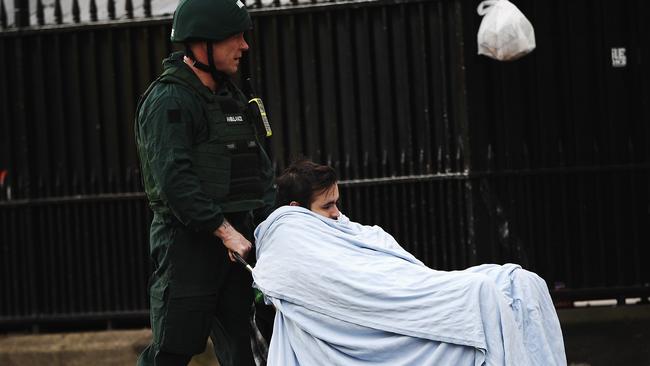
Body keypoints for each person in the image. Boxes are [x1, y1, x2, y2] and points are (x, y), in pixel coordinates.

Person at [252, 158, 566, 366]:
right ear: (296, 209)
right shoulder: (290, 238)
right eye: (328, 205)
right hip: (380, 311)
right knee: (484, 293)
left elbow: (390, 269)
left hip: (406, 288)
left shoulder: (342, 229)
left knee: (520, 282)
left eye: (337, 203)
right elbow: (350, 288)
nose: (336, 213)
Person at [133, 0, 276, 364]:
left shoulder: (232, 97)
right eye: (235, 37)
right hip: (187, 248)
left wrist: (277, 223)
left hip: (240, 247)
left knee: (248, 351)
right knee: (172, 351)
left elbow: (260, 172)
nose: (244, 46)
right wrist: (224, 231)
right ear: (203, 42)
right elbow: (174, 181)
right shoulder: (169, 100)